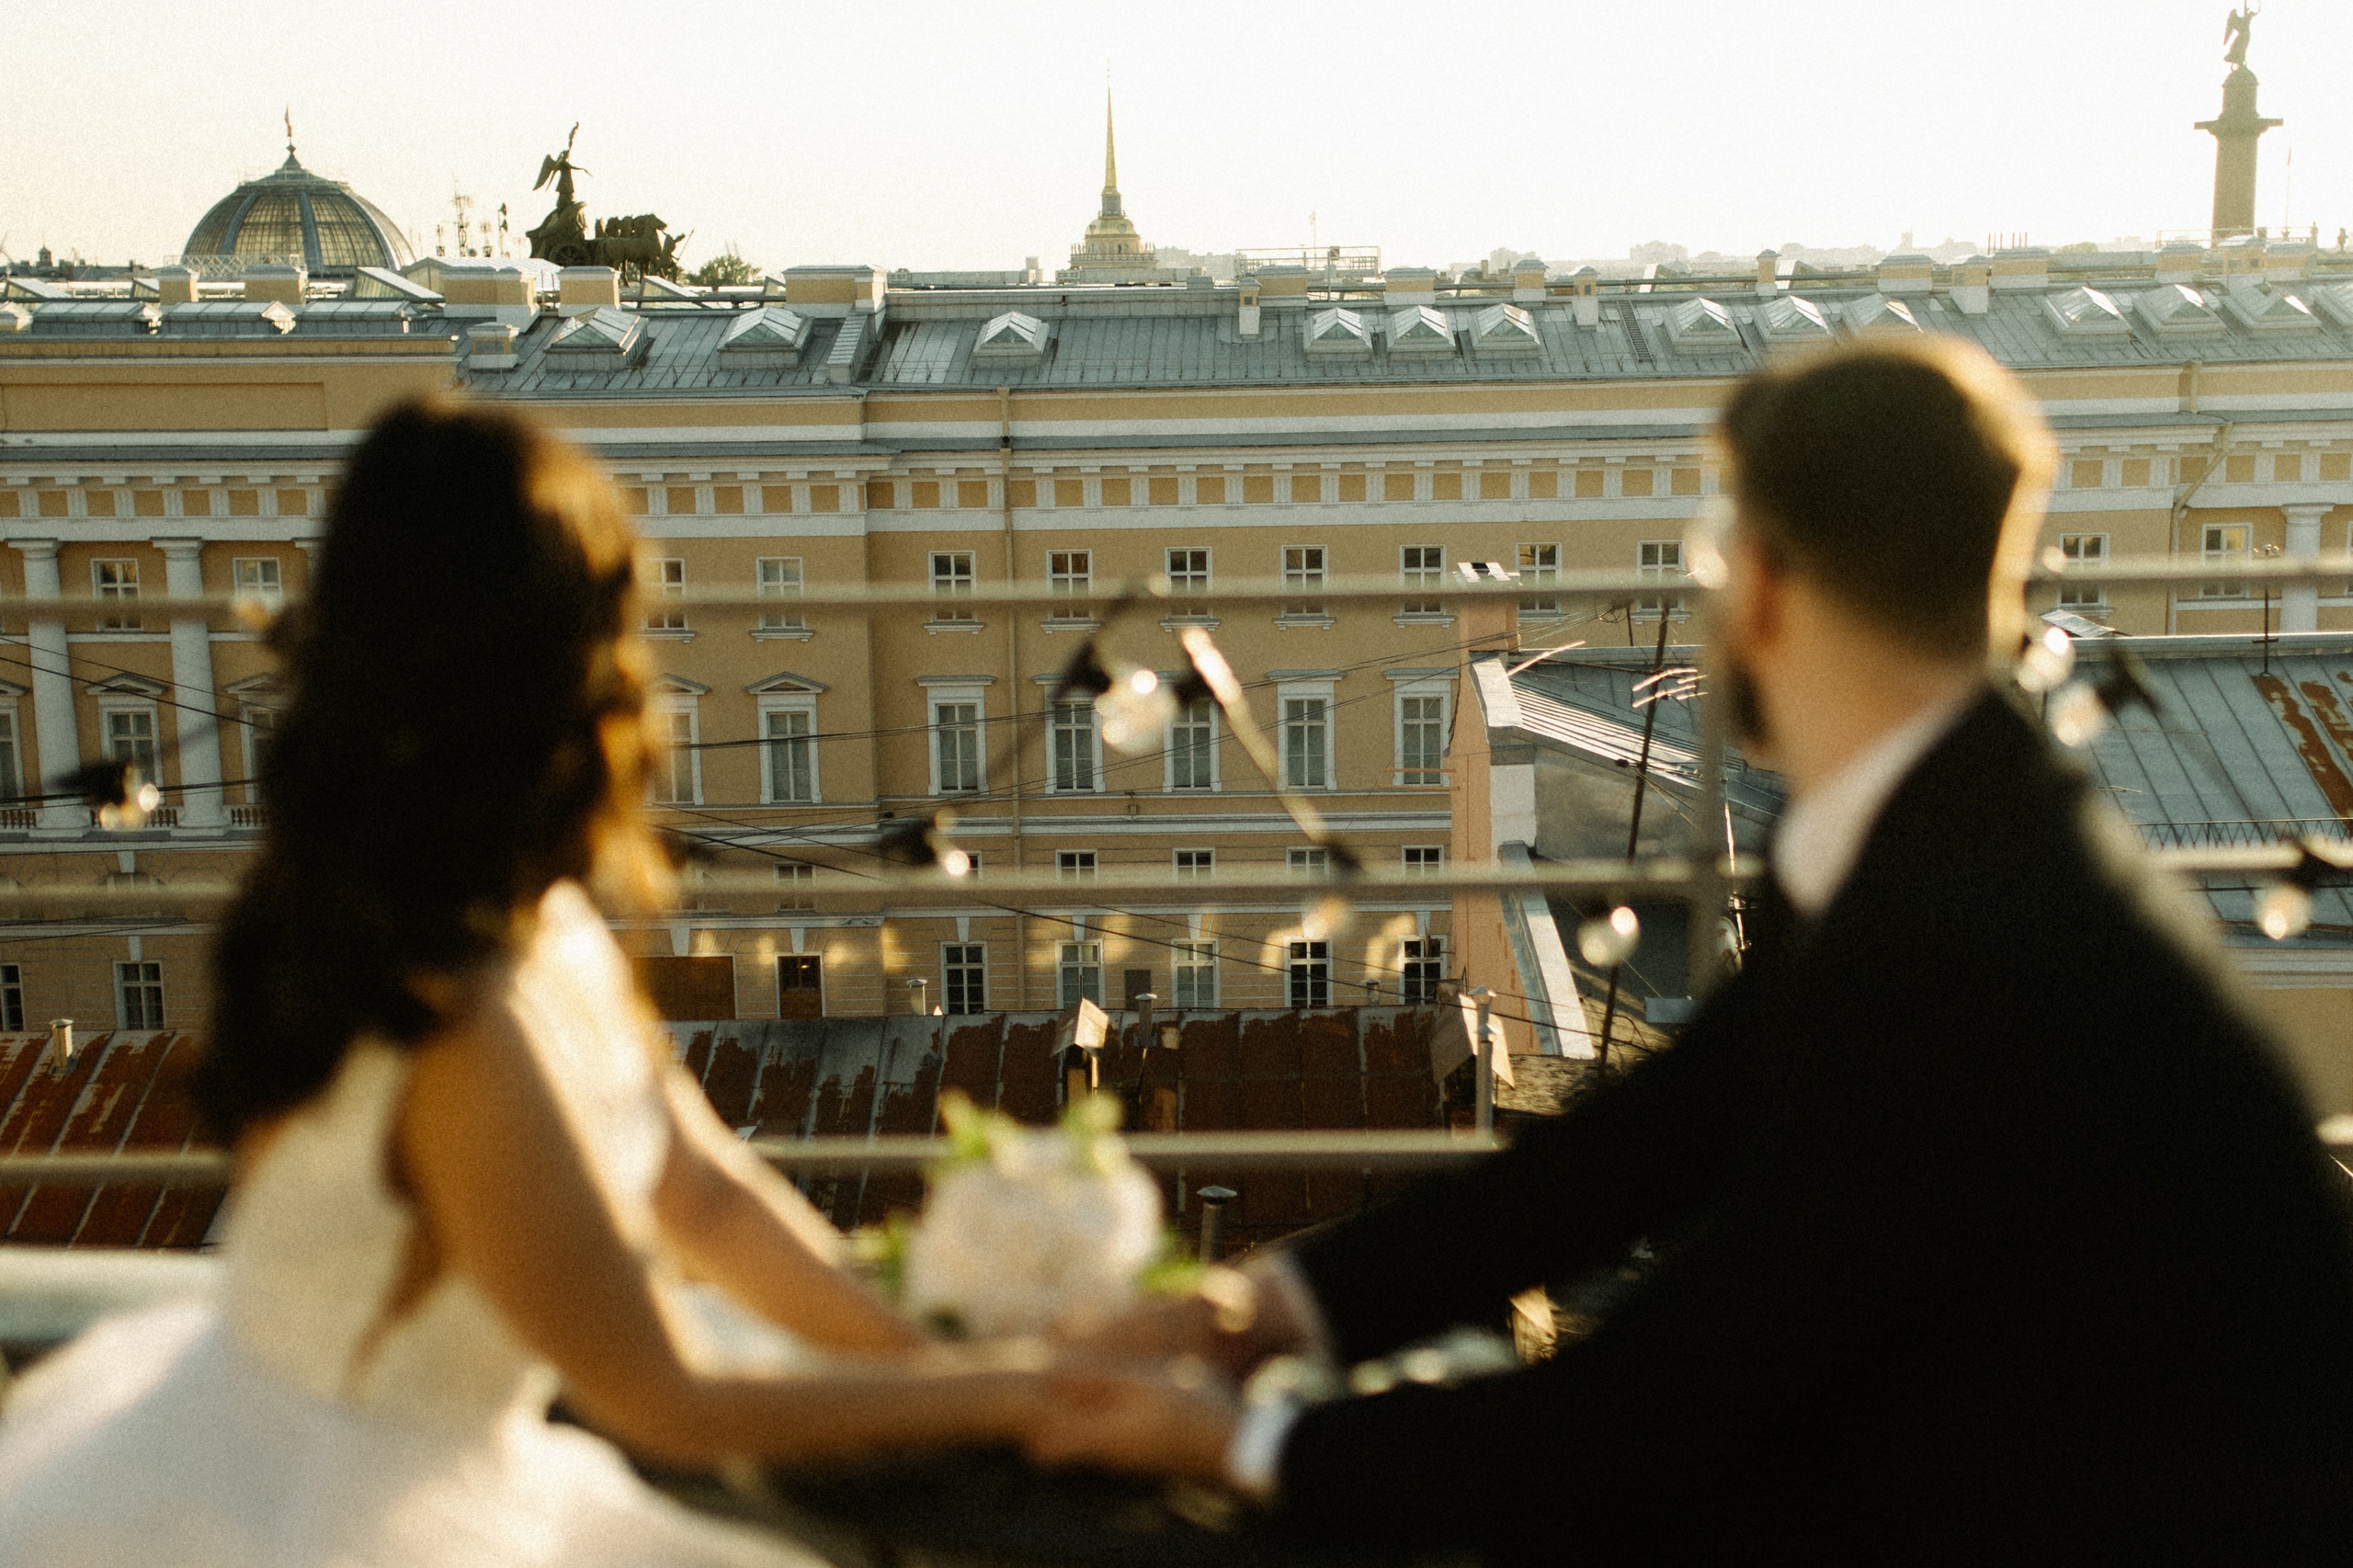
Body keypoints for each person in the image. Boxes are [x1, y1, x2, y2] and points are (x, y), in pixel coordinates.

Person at [1032, 338, 2353, 1562]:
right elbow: (1653, 1136)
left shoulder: (1968, 931)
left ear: (1764, 583)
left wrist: (1238, 1439)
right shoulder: (1933, 817)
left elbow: (1659, 1401)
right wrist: (1271, 1309)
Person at [0, 403, 1051, 1567]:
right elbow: (664, 1397)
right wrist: (1013, 1397)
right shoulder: (453, 1011)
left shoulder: (513, 913)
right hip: (340, 1521)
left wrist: (921, 1354)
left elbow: (701, 1194)